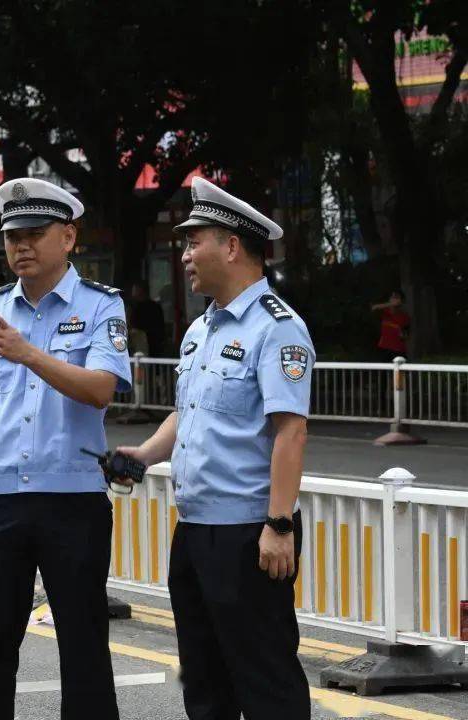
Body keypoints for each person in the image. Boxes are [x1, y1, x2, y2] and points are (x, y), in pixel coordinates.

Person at [118, 177, 314, 719]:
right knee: (203, 683)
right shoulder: (201, 330)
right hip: (196, 530)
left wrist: (278, 525)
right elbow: (190, 413)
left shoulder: (278, 330)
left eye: (192, 241)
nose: (184, 255)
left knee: (266, 682)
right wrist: (145, 455)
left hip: (249, 535)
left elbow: (290, 431)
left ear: (231, 246)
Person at [0, 177, 132, 720]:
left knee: (83, 648)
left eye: (34, 233)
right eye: (12, 236)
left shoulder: (101, 307)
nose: (21, 246)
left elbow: (101, 387)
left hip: (72, 500)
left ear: (68, 238)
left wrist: (29, 354)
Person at [129, 280, 165, 357]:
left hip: (147, 342)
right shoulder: (154, 306)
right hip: (151, 342)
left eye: (135, 290)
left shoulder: (139, 308)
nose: (132, 293)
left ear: (141, 291)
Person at [371, 289, 409, 362]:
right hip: (384, 348)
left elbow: (406, 334)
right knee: (382, 371)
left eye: (397, 297)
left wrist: (403, 335)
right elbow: (374, 308)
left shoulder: (404, 316)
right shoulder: (383, 312)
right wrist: (390, 304)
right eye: (392, 297)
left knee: (399, 372)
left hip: (398, 350)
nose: (394, 300)